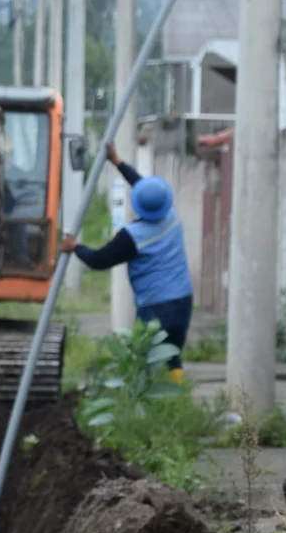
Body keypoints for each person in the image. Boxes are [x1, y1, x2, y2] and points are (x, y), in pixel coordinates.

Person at [59, 143, 194, 383]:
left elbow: (99, 260)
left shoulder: (133, 237)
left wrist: (75, 246)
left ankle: (148, 402)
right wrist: (117, 161)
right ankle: (177, 396)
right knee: (173, 354)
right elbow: (145, 188)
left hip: (156, 306)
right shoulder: (171, 215)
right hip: (183, 299)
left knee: (148, 357)